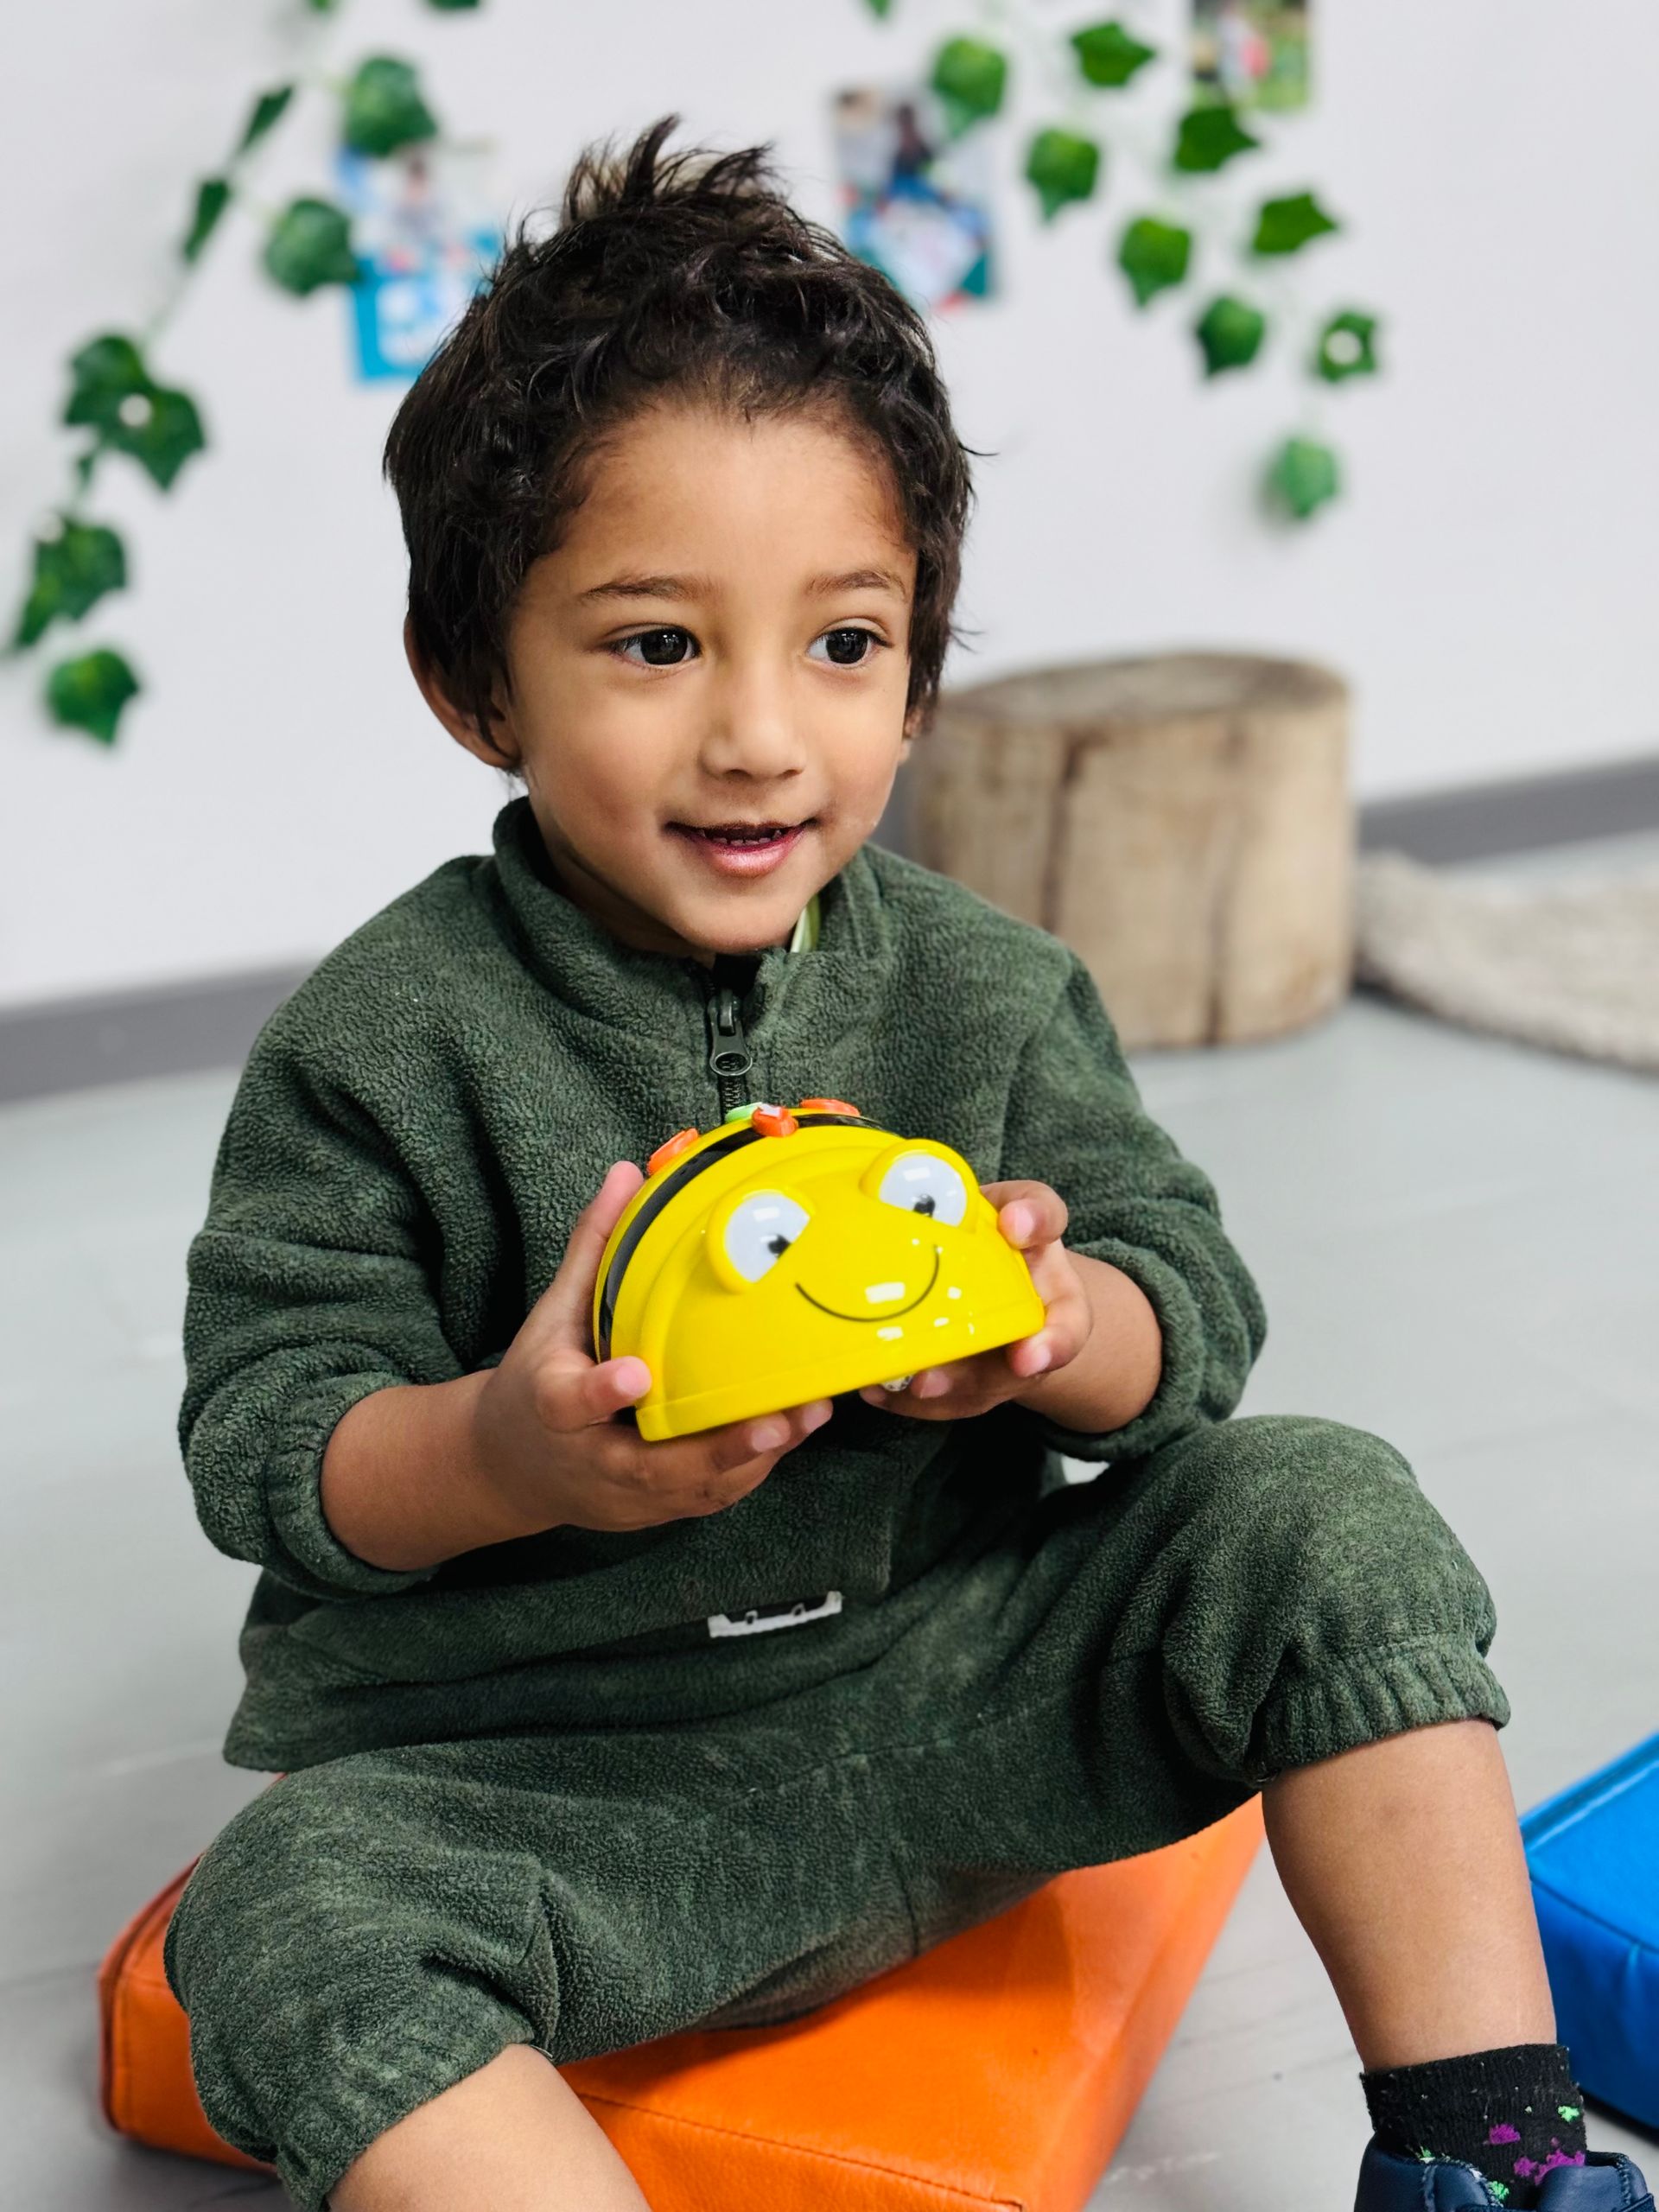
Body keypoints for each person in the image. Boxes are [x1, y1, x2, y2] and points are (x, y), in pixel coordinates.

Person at [162, 115, 1647, 2212]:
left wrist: (1056, 1326)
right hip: (569, 1791)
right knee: (284, 1917)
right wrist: (511, 1448)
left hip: (968, 1714)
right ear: (474, 682)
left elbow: (1186, 1318)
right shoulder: (381, 1044)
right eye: (658, 643)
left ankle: (1490, 2159)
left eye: (843, 643)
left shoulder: (989, 988)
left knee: (1318, 1504)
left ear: (920, 663)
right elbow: (266, 1439)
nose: (764, 731)